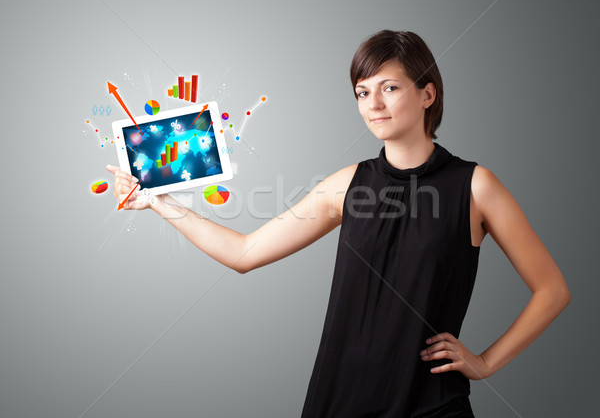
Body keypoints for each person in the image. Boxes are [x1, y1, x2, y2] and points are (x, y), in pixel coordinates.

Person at [106, 30, 571, 417]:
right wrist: (160, 203)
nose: (374, 104)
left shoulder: (476, 186)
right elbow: (243, 254)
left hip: (432, 405)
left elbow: (553, 290)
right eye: (362, 93)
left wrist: (485, 362)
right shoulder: (347, 185)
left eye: (389, 87)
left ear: (427, 93)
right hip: (339, 400)